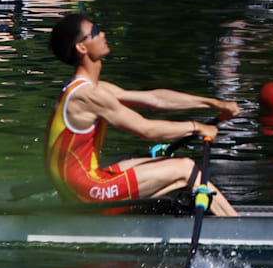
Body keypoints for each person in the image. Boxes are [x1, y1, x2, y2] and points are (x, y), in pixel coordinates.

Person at [45, 12, 238, 215]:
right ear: (82, 47)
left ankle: (207, 215)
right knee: (185, 168)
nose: (102, 34)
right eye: (95, 31)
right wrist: (197, 127)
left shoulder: (91, 88)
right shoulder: (87, 95)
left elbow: (155, 99)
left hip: (80, 184)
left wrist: (214, 104)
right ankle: (235, 226)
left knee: (166, 165)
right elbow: (145, 130)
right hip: (85, 192)